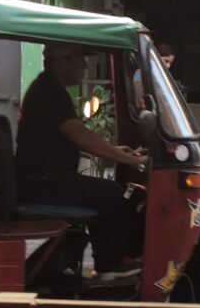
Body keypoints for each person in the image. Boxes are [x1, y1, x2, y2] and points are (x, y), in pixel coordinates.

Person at [16, 43, 147, 283]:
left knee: (107, 191)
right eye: (81, 59)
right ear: (62, 59)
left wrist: (117, 151)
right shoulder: (49, 92)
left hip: (43, 177)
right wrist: (131, 159)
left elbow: (73, 137)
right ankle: (109, 263)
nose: (86, 66)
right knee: (112, 193)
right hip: (42, 180)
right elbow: (82, 138)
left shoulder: (50, 89)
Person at [133, 43, 176, 109]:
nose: (168, 66)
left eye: (170, 63)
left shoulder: (162, 77)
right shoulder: (140, 74)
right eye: (166, 61)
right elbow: (142, 103)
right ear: (156, 58)